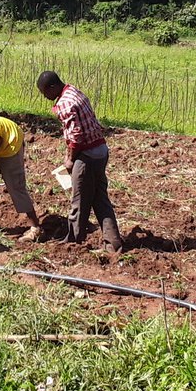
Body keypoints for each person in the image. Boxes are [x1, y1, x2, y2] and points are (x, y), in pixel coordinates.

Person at [36, 70, 123, 254]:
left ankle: (73, 243)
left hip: (87, 155)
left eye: (45, 93)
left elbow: (76, 136)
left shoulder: (64, 103)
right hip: (100, 150)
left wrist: (70, 159)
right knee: (100, 200)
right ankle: (113, 243)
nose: (45, 97)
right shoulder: (73, 91)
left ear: (52, 87)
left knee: (79, 201)